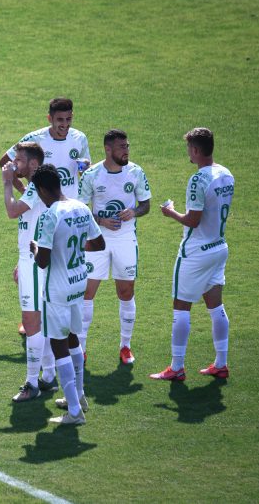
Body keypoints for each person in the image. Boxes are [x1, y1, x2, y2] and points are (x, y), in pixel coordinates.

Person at [150, 127, 234, 381]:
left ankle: (176, 368)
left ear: (196, 150)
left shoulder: (199, 179)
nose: (188, 152)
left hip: (196, 252)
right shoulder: (226, 174)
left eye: (189, 148)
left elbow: (193, 220)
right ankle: (221, 363)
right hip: (218, 247)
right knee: (215, 306)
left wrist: (171, 212)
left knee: (181, 307)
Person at [30, 164, 105, 425]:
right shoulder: (80, 207)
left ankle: (74, 411)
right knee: (74, 337)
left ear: (41, 189)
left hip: (58, 290)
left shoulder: (49, 216)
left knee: (58, 344)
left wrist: (35, 247)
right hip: (78, 282)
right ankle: (80, 395)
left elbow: (42, 262)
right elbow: (98, 243)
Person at [77, 129, 151, 364]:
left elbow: (146, 204)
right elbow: (79, 209)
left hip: (125, 239)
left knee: (126, 291)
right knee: (87, 292)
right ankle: (81, 347)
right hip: (96, 239)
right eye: (121, 147)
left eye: (127, 146)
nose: (126, 150)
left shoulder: (135, 172)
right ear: (108, 150)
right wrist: (100, 221)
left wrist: (134, 211)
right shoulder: (91, 175)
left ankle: (125, 346)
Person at [1, 142, 58, 402]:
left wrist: (6, 181)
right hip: (31, 259)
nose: (15, 164)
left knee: (33, 324)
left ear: (33, 164)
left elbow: (13, 212)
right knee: (40, 321)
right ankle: (48, 376)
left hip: (34, 262)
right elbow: (31, 218)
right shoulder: (38, 187)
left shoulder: (36, 187)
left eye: (19, 161)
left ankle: (32, 383)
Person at [0, 97, 90, 198]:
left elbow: (84, 171)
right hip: (41, 206)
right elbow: (4, 162)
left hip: (70, 205)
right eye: (60, 119)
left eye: (68, 119)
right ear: (50, 118)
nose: (65, 124)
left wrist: (84, 168)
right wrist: (22, 189)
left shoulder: (80, 138)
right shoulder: (35, 138)